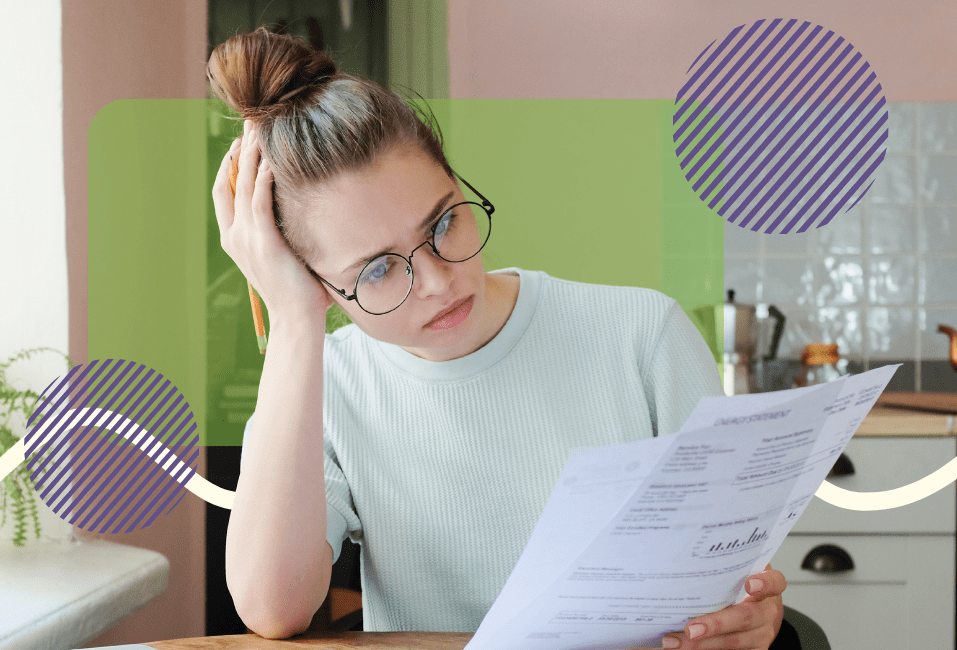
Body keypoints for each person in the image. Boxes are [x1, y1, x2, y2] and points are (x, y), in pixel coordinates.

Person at [208, 27, 788, 650]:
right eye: (376, 269)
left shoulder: (644, 337)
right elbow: (273, 608)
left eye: (445, 222)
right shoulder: (329, 385)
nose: (437, 280)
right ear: (315, 280)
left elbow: (732, 587)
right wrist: (294, 320)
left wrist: (750, 621)